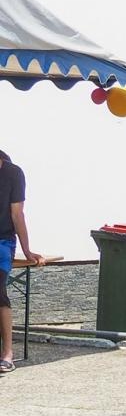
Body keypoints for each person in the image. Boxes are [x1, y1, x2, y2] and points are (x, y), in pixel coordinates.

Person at [0, 148, 41, 374]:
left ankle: (7, 353)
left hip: (3, 240)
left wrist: (26, 251)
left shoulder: (13, 173)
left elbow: (17, 214)